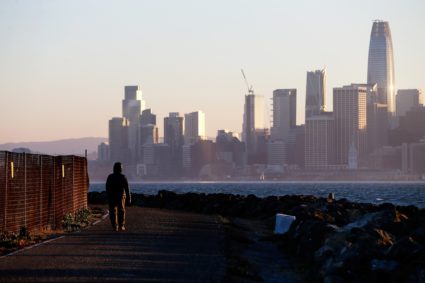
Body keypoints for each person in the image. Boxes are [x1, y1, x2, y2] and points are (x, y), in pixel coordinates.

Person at [106, 162, 131, 231]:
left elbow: (107, 187)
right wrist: (129, 198)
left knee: (114, 211)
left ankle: (116, 226)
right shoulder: (122, 177)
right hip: (119, 196)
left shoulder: (111, 177)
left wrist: (107, 196)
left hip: (114, 196)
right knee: (120, 211)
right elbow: (127, 188)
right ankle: (120, 226)